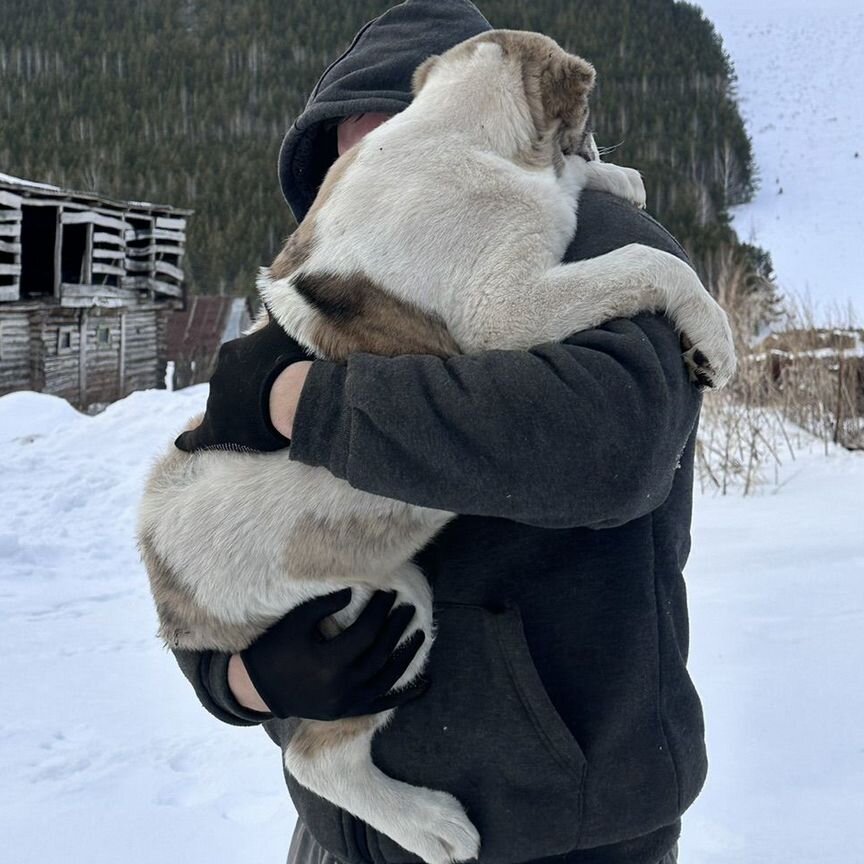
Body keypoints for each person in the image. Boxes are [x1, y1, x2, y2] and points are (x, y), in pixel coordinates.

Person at [171, 2, 706, 863]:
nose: (381, 164)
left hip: (557, 833)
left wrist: (303, 404)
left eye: (401, 131)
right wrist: (241, 679)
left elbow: (614, 448)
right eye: (351, 154)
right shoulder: (325, 298)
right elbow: (200, 533)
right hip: (344, 831)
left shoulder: (595, 243)